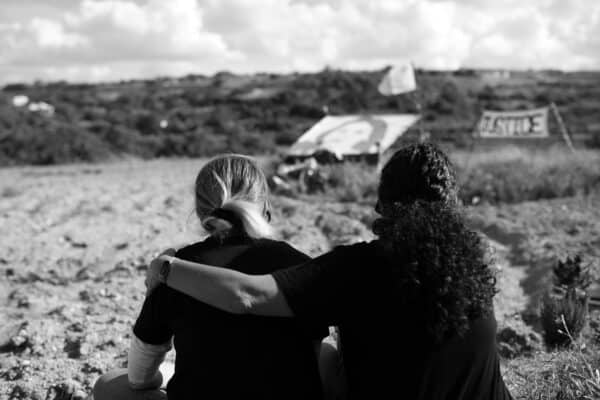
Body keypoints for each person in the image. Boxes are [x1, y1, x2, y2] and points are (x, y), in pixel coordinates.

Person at [146, 143, 514, 400]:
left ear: (382, 204)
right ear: (451, 203)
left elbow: (247, 294)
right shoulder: (475, 262)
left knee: (327, 357)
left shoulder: (357, 268)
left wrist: (166, 268)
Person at [93, 154, 330, 400]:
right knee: (328, 354)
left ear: (200, 211)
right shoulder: (301, 266)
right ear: (265, 206)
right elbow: (311, 366)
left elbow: (139, 379)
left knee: (108, 384)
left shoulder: (176, 270)